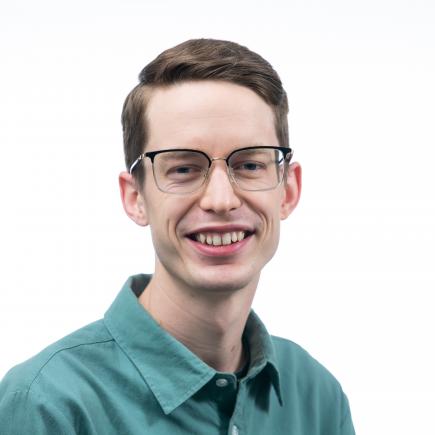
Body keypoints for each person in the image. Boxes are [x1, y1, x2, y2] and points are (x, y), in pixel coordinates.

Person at [0, 38, 355, 434]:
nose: (220, 199)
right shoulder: (47, 403)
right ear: (135, 197)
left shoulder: (317, 396)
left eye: (250, 164)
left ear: (287, 191)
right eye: (183, 169)